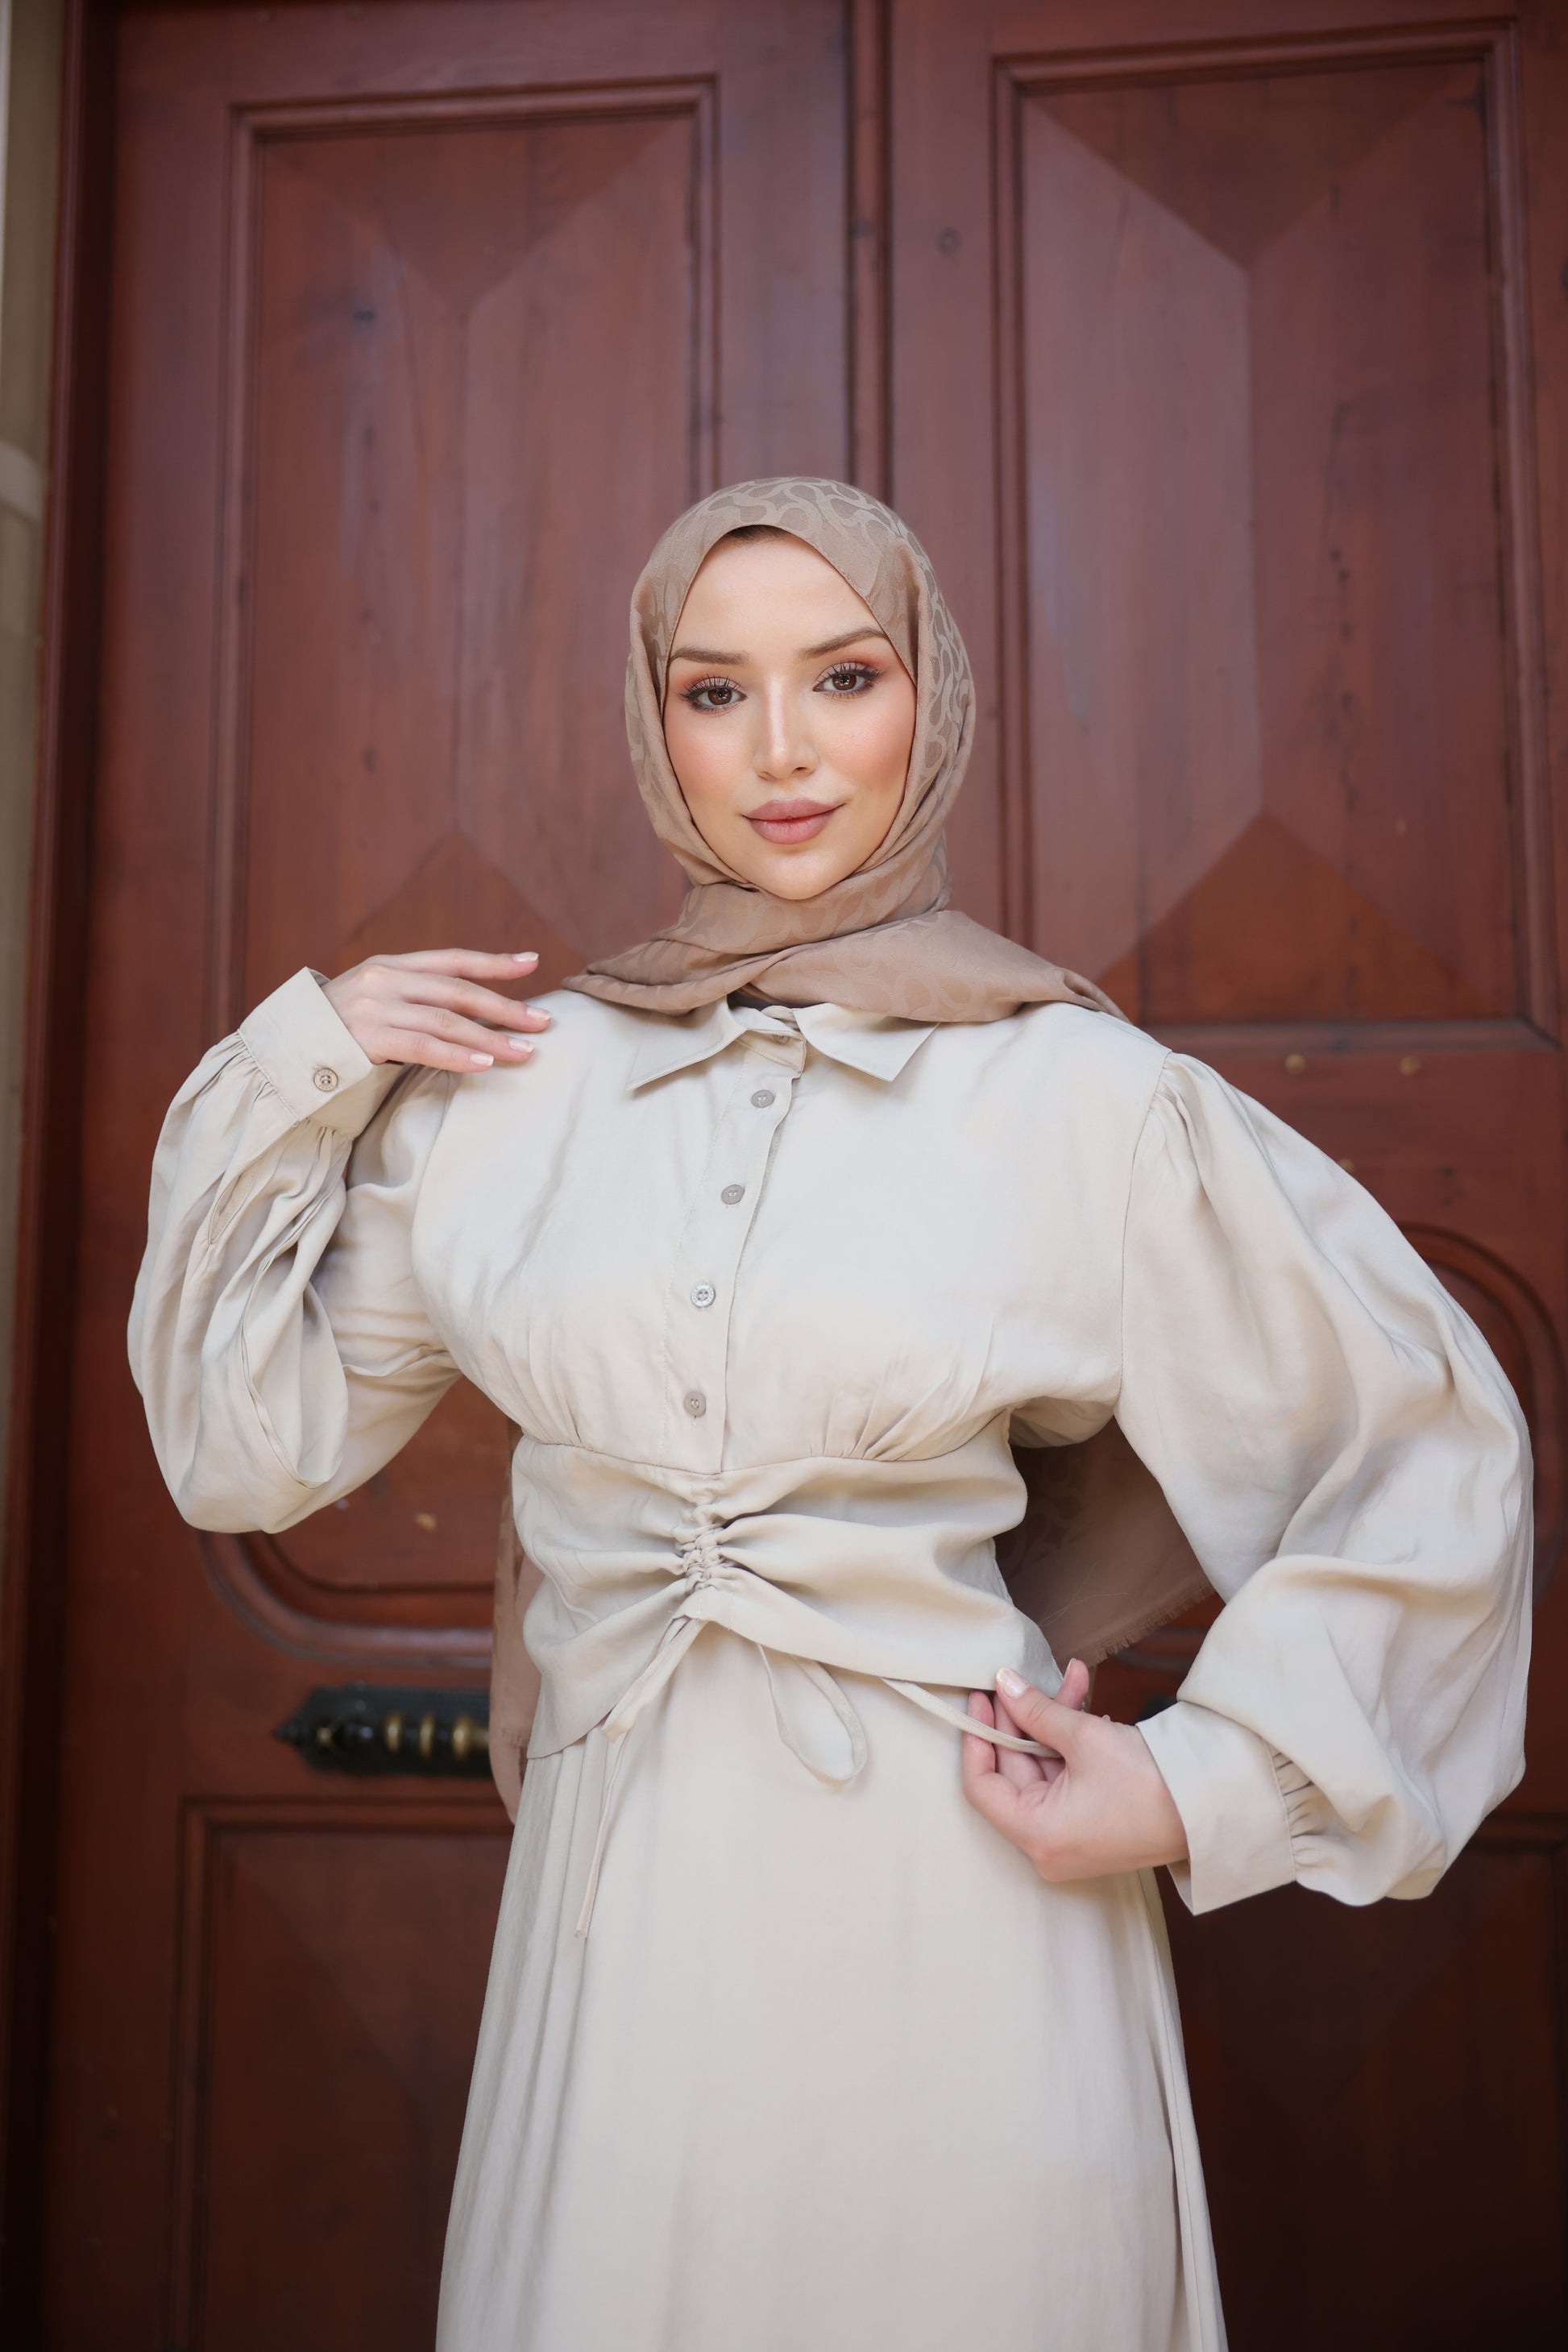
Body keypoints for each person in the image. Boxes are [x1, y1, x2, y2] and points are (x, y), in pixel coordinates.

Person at [130, 479, 1532, 2352]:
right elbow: (241, 1444)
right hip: (619, 1923)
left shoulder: (1084, 1098)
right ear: (655, 723)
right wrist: (304, 1060)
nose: (781, 750)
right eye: (714, 691)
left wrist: (1196, 1785)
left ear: (929, 699)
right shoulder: (513, 1094)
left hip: (960, 1902)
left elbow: (1424, 1457)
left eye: (844, 677)